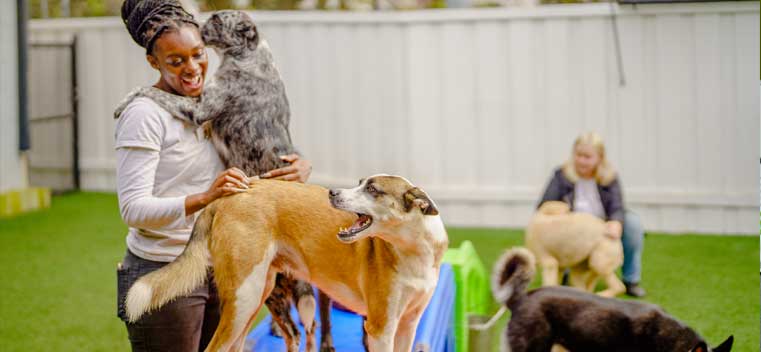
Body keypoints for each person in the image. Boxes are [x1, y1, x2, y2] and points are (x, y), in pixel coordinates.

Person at [114, 1, 311, 350]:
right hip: (166, 270)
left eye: (198, 54)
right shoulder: (144, 114)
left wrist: (299, 165)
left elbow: (254, 146)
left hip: (220, 262)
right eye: (176, 61)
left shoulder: (214, 99)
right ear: (153, 62)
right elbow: (133, 209)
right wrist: (206, 197)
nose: (192, 68)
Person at [537, 131, 646, 297]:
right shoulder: (561, 175)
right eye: (578, 155)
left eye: (587, 157)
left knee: (632, 223)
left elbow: (617, 207)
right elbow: (544, 205)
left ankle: (631, 279)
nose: (581, 160)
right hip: (573, 232)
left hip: (601, 230)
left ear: (600, 158)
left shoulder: (610, 177)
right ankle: (568, 268)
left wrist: (616, 222)